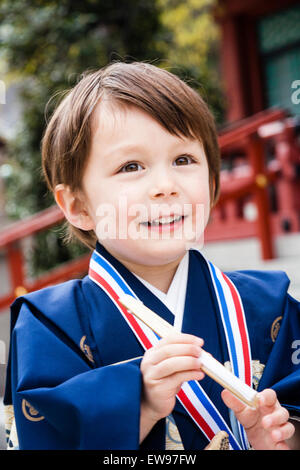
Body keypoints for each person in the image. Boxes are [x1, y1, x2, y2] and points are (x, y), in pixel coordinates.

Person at [4, 62, 300, 450]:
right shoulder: (49, 325)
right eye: (131, 166)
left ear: (212, 181)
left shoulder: (268, 304)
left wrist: (277, 441)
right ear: (76, 205)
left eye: (183, 160)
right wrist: (137, 404)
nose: (165, 186)